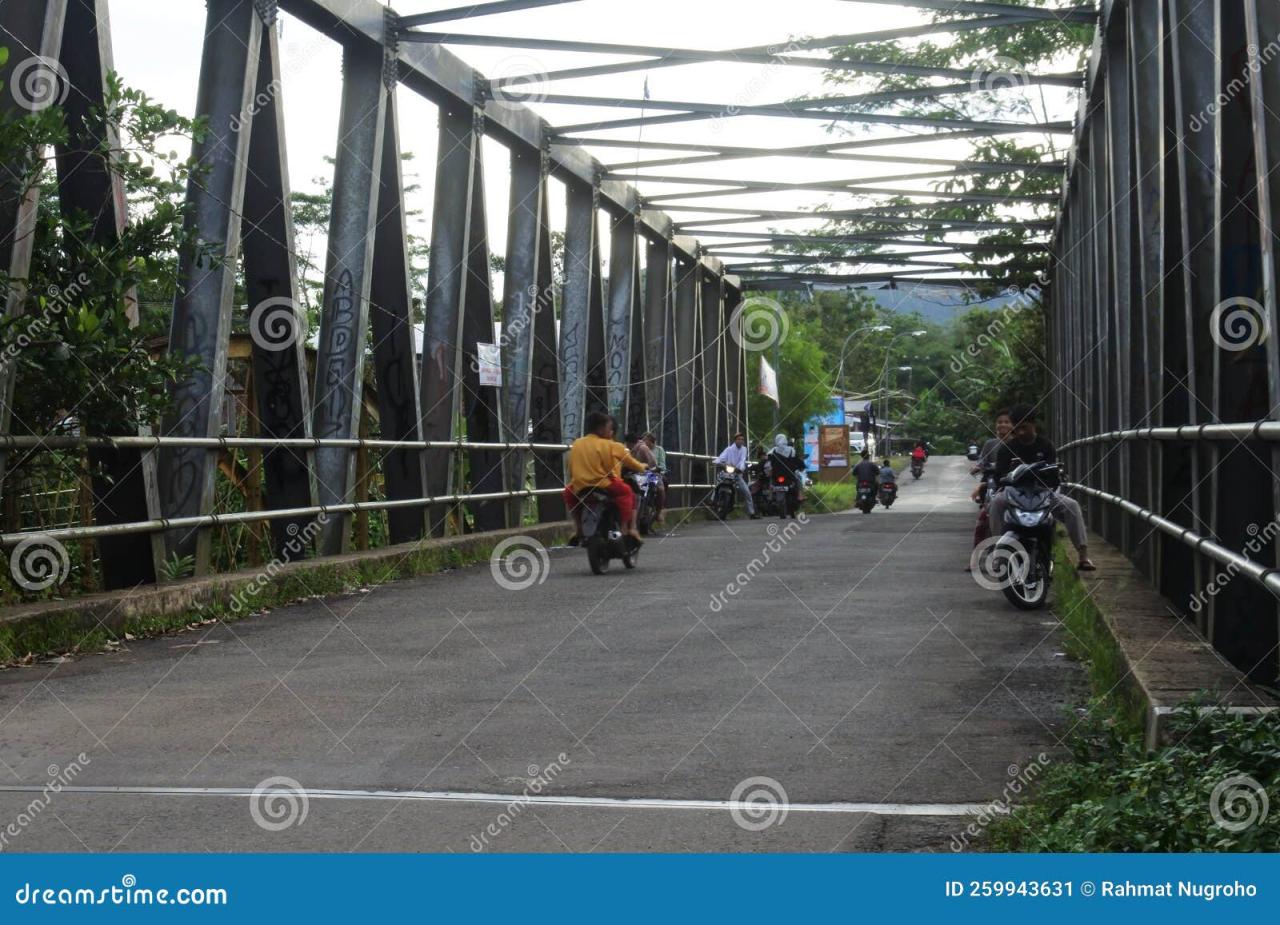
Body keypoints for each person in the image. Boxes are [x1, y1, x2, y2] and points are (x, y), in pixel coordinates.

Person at [986, 404, 1096, 571]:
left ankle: (1083, 554)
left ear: (1033, 425)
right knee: (996, 504)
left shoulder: (1046, 446)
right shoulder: (1007, 448)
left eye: (1025, 428)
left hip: (1042, 494)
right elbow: (1000, 475)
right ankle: (999, 551)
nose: (1021, 432)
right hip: (1015, 494)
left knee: (1071, 506)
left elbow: (1054, 476)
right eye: (1017, 428)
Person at [563, 411, 648, 544]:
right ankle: (628, 529)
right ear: (601, 429)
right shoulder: (609, 445)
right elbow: (624, 464)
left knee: (568, 494)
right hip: (603, 484)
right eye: (609, 428)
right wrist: (643, 467)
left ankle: (578, 528)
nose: (611, 431)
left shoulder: (577, 444)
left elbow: (570, 467)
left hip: (580, 485)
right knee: (628, 493)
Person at [969, 410, 1013, 553]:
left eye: (1006, 422)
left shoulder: (1016, 444)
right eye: (1000, 422)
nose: (1003, 425)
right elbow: (982, 460)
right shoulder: (990, 444)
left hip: (1012, 483)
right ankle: (977, 556)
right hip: (992, 481)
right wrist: (977, 467)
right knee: (983, 515)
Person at [715, 432, 758, 518]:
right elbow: (720, 458)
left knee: (747, 492)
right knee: (717, 485)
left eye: (742, 439)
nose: (741, 441)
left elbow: (742, 460)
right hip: (726, 472)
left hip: (737, 473)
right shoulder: (729, 449)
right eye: (739, 439)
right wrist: (719, 463)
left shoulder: (744, 449)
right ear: (735, 440)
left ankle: (752, 513)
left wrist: (740, 469)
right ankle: (713, 501)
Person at [642, 433, 668, 525]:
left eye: (645, 440)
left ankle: (659, 511)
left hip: (653, 474)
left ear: (651, 441)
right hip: (642, 473)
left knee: (660, 489)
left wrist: (656, 469)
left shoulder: (659, 450)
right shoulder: (642, 449)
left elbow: (662, 466)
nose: (643, 442)